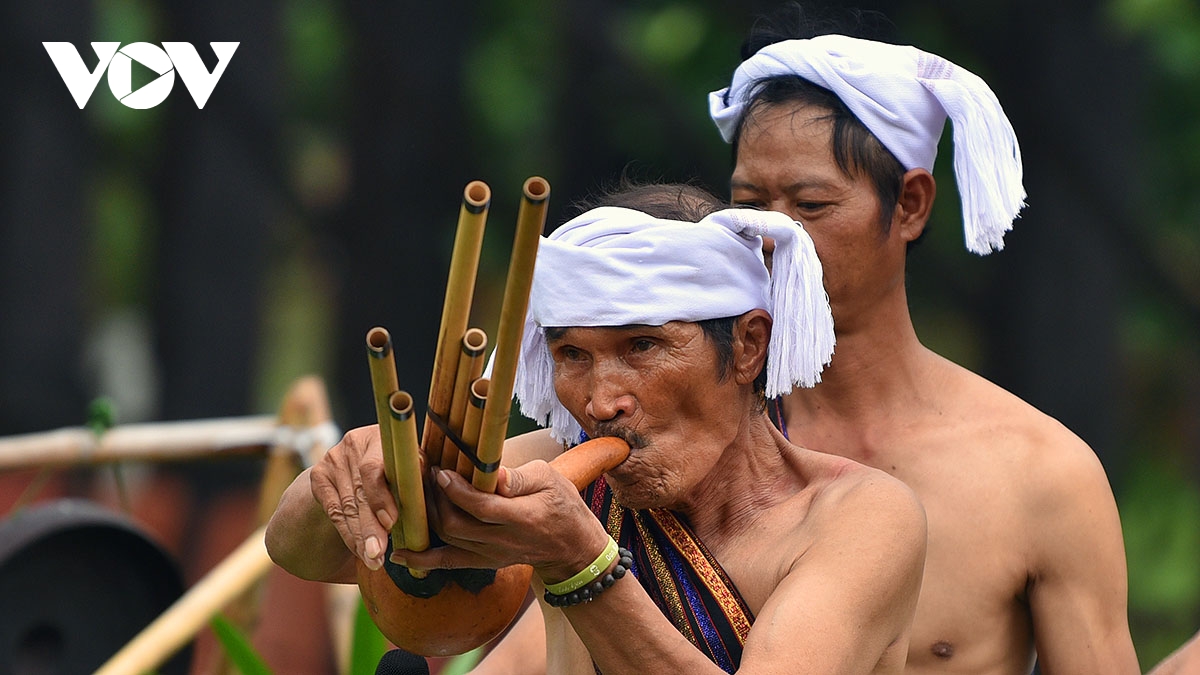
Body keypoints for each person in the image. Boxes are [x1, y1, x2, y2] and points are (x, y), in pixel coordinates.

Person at [705, 7, 1199, 674]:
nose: (771, 235)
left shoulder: (1038, 474)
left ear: (909, 204)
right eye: (747, 203)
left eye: (811, 205)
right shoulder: (688, 441)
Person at [265, 190, 930, 674]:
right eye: (572, 355)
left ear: (748, 345)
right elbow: (300, 552)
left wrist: (581, 563)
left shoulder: (858, 518)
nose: (601, 400)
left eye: (642, 346)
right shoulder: (561, 472)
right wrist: (352, 472)